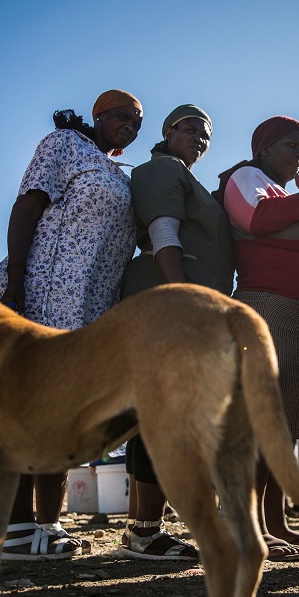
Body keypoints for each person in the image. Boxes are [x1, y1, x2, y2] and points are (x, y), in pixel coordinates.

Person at [0, 89, 143, 560]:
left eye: (137, 122)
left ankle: (46, 526)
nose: (130, 127)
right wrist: (15, 281)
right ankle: (12, 529)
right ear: (97, 115)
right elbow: (27, 207)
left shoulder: (116, 171)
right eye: (122, 117)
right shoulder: (65, 145)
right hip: (43, 290)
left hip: (88, 309)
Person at [214, 115, 299, 560]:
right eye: (290, 145)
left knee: (280, 428)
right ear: (262, 148)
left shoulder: (285, 192)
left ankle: (275, 524)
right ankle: (245, 528)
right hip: (270, 308)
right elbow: (258, 219)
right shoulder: (246, 177)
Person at [119, 104, 232, 560]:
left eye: (207, 134)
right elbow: (164, 231)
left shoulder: (187, 177)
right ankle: (145, 532)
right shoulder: (163, 167)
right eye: (191, 130)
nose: (200, 138)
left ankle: (143, 530)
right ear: (168, 131)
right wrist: (182, 295)